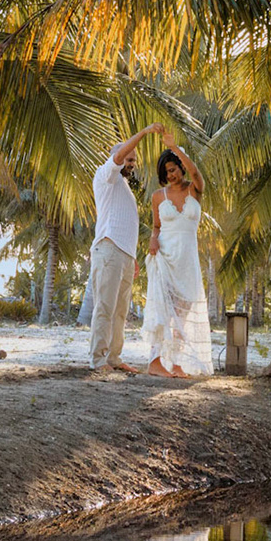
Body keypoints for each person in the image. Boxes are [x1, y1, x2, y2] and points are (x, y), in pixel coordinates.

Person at [89, 123, 164, 373]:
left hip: (123, 255)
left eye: (134, 160)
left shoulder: (124, 189)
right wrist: (143, 133)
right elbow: (119, 156)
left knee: (120, 312)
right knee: (105, 308)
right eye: (128, 158)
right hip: (108, 250)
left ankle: (113, 358)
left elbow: (126, 224)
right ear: (117, 159)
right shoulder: (106, 175)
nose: (131, 163)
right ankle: (98, 361)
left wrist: (132, 259)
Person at [142, 142, 213, 378]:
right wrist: (153, 239)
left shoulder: (195, 189)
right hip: (165, 256)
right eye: (166, 172)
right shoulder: (157, 196)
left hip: (187, 260)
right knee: (163, 309)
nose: (170, 175)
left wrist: (175, 148)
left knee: (182, 313)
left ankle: (178, 362)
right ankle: (155, 361)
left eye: (173, 169)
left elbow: (196, 172)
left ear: (181, 167)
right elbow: (156, 226)